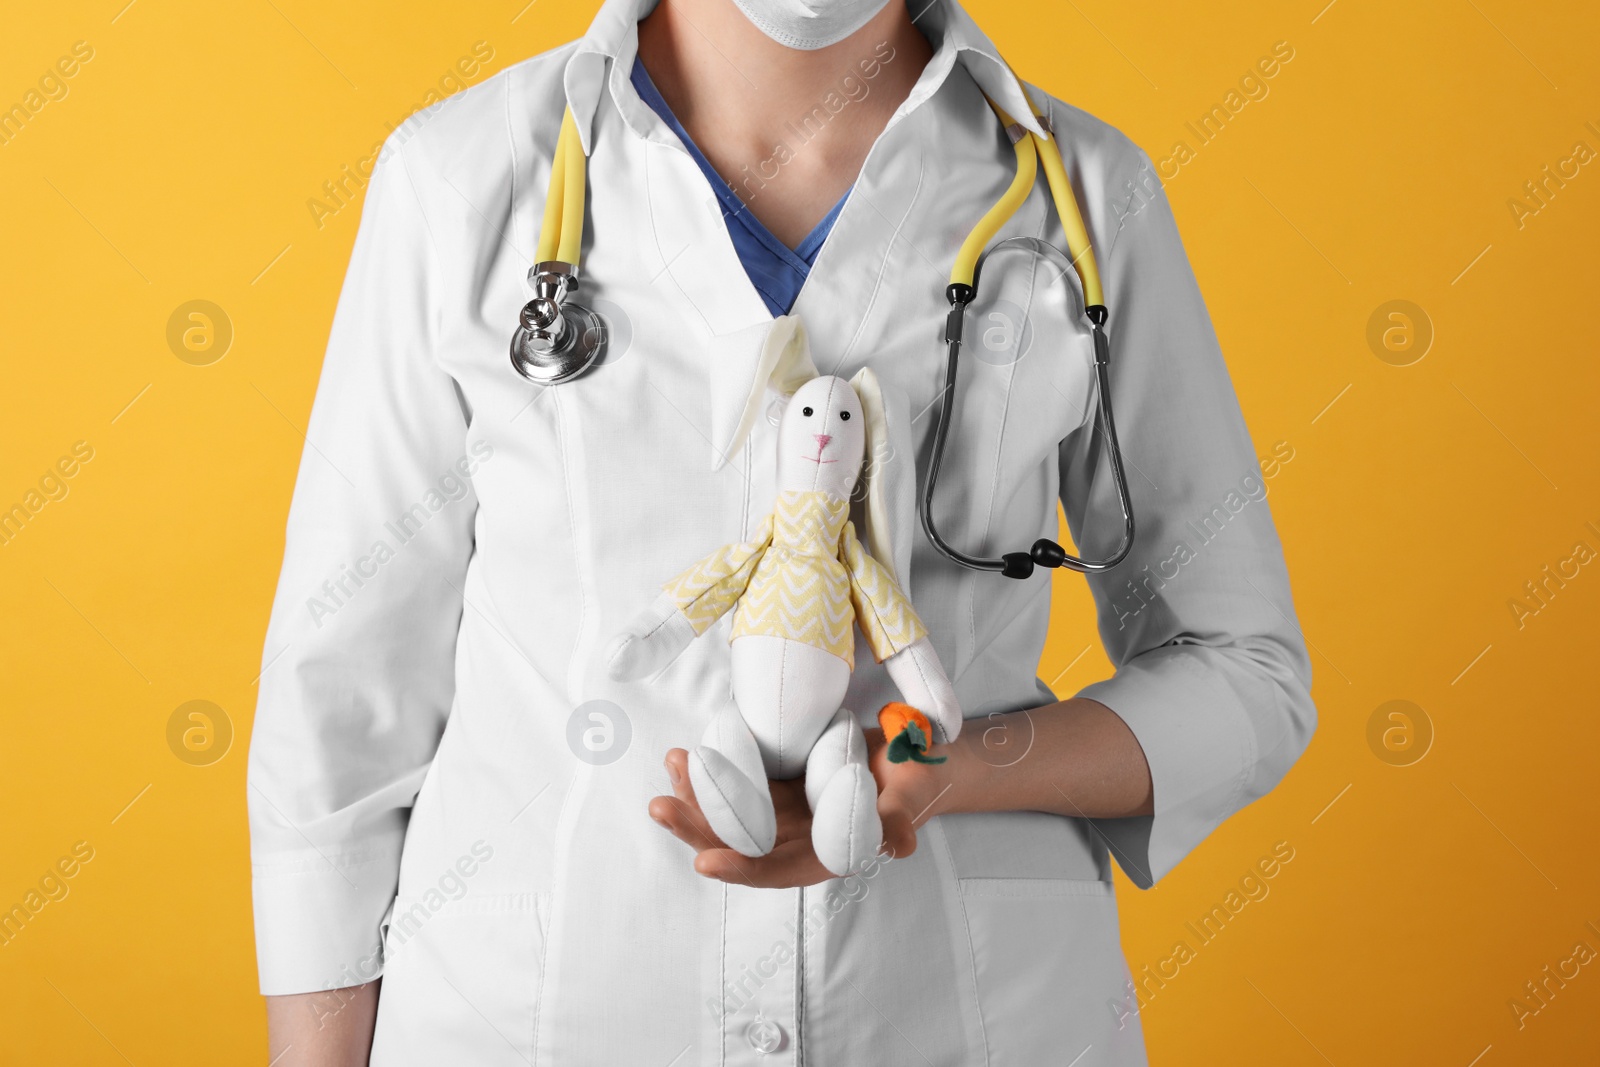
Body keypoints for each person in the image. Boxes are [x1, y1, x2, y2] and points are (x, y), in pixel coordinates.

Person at [248, 0, 1317, 1063]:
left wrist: (957, 769)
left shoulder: (1082, 195)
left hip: (968, 1015)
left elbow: (1244, 671)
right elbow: (340, 700)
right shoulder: (460, 177)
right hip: (534, 1018)